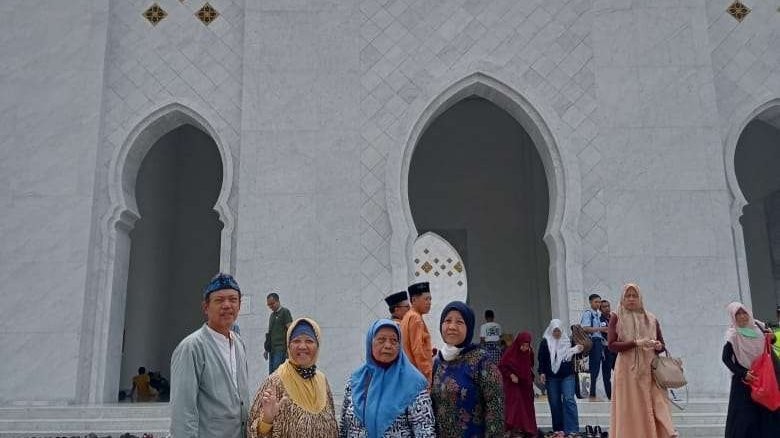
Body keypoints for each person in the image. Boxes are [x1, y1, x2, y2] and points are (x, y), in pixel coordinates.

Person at [170, 273, 250, 438]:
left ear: (240, 305)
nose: (227, 305)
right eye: (219, 300)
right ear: (205, 307)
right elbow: (183, 411)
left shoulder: (239, 344)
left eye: (233, 300)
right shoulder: (192, 348)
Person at [340, 319, 435, 437]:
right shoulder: (356, 380)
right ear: (370, 342)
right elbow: (344, 427)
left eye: (394, 340)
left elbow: (425, 432)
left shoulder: (414, 384)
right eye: (381, 340)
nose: (388, 345)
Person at [248, 318, 339, 438]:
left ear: (317, 346)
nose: (302, 346)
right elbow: (252, 432)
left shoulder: (322, 380)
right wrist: (267, 420)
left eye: (309, 341)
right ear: (288, 346)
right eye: (296, 341)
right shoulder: (275, 382)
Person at [608, 283, 677, 438]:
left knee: (657, 402)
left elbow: (662, 344)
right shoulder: (617, 316)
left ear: (640, 298)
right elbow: (612, 345)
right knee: (631, 410)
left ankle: (666, 432)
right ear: (623, 298)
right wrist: (635, 343)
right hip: (627, 372)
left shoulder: (651, 318)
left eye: (634, 295)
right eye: (628, 296)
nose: (631, 299)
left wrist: (658, 345)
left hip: (650, 369)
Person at [431, 301, 504, 437]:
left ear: (469, 327)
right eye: (447, 321)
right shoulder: (438, 362)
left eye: (459, 322)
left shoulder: (482, 361)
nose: (452, 326)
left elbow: (495, 409)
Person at [722, 302, 780, 438]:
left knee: (768, 412)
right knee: (745, 419)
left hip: (764, 377)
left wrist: (773, 337)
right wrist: (743, 373)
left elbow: (768, 343)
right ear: (733, 317)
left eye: (744, 313)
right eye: (738, 314)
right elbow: (726, 359)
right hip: (745, 382)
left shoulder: (758, 327)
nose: (742, 317)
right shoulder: (733, 335)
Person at [538, 319, 581, 437]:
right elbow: (541, 359)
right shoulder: (545, 342)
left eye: (558, 330)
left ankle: (572, 429)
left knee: (569, 399)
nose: (557, 333)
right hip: (552, 377)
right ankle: (558, 428)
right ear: (551, 330)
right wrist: (542, 372)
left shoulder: (568, 340)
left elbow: (577, 354)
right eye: (555, 331)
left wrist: (578, 349)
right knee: (554, 402)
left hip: (568, 375)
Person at [499, 332, 538, 438]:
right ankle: (514, 429)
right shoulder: (510, 352)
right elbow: (502, 365)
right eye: (523, 345)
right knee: (515, 405)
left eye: (527, 345)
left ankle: (526, 429)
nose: (524, 348)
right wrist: (511, 375)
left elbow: (530, 365)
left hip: (525, 383)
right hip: (513, 383)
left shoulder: (529, 352)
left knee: (526, 406)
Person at [400, 282, 433, 384]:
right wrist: (427, 373)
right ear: (414, 300)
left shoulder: (408, 316)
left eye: (430, 299)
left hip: (410, 372)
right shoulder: (415, 318)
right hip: (419, 375)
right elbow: (418, 349)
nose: (429, 302)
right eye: (426, 299)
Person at [580, 293, 606, 400]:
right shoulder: (588, 313)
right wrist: (600, 329)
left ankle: (592, 393)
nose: (598, 304)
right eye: (596, 302)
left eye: (599, 302)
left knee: (595, 368)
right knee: (587, 367)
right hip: (591, 342)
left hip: (598, 342)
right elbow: (585, 328)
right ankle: (585, 393)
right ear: (590, 302)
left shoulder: (598, 315)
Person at [264, 292, 293, 374]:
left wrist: (289, 349)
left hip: (281, 349)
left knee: (278, 373)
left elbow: (290, 330)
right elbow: (270, 333)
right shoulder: (272, 316)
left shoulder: (285, 312)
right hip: (272, 350)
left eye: (272, 304)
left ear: (278, 301)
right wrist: (266, 350)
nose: (270, 306)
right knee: (272, 374)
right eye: (268, 305)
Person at [598, 299, 615, 400]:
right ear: (600, 309)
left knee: (620, 373)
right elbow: (604, 333)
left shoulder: (614, 318)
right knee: (606, 375)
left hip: (616, 351)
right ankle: (610, 396)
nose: (607, 308)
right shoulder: (599, 321)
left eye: (608, 306)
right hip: (606, 351)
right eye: (604, 307)